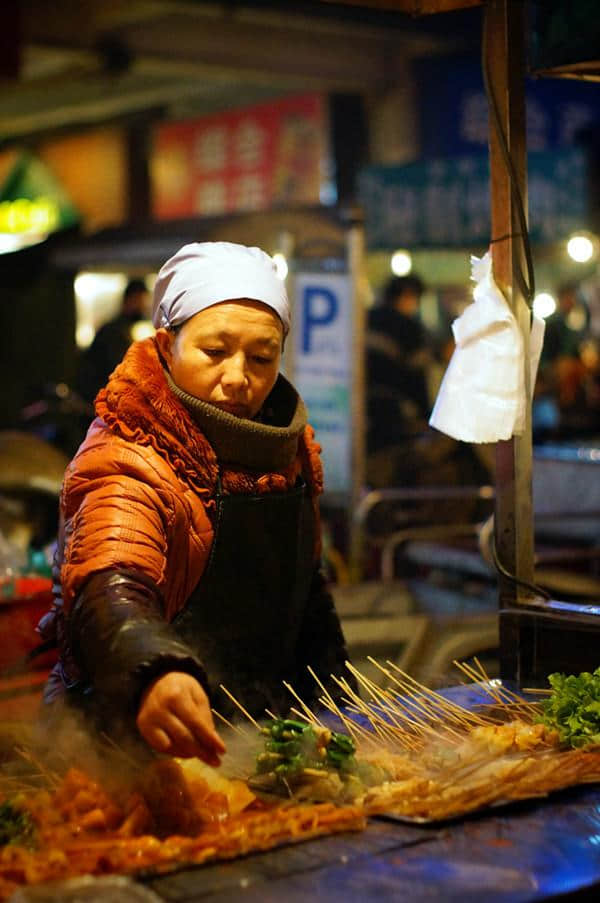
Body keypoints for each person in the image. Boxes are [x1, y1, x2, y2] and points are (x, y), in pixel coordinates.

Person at [39, 242, 353, 766]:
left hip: (256, 742)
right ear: (166, 347)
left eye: (262, 357)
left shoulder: (287, 450)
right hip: (124, 751)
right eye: (215, 351)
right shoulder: (130, 457)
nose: (238, 377)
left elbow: (303, 594)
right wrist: (155, 670)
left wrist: (340, 703)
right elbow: (110, 586)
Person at [77, 278, 150, 403]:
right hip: (104, 398)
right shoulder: (113, 330)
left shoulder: (134, 328)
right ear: (129, 299)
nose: (143, 306)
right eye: (140, 301)